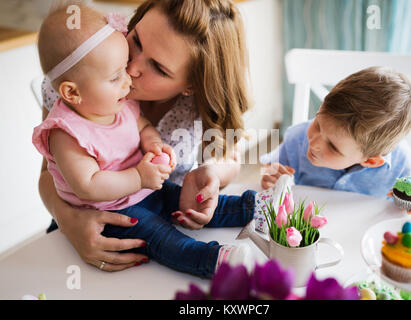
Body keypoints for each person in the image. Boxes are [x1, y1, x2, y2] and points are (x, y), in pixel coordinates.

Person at [33, 4, 263, 278]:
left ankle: (261, 206)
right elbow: (49, 173)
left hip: (155, 202)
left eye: (158, 67)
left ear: (191, 86)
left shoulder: (185, 102)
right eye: (137, 40)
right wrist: (69, 221)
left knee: (194, 208)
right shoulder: (78, 78)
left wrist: (210, 171)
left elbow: (228, 156)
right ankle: (213, 261)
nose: (131, 68)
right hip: (94, 226)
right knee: (165, 241)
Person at [260, 66, 411, 204]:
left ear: (370, 160)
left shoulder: (402, 165)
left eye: (332, 146)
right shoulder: (296, 138)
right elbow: (270, 168)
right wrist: (270, 175)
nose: (313, 142)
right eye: (317, 124)